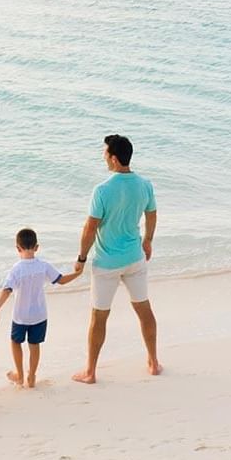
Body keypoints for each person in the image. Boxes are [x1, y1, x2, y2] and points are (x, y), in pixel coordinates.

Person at [72, 134, 159, 383]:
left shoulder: (102, 190)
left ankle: (90, 372)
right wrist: (148, 240)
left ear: (114, 158)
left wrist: (81, 258)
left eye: (105, 153)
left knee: (99, 316)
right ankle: (153, 362)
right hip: (135, 258)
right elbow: (151, 214)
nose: (103, 157)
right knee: (144, 309)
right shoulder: (145, 185)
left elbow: (90, 228)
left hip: (107, 263)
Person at [0, 228, 82, 388]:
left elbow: (6, 291)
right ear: (36, 247)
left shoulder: (17, 269)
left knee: (15, 342)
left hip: (21, 316)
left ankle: (19, 375)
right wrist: (78, 274)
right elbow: (61, 280)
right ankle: (31, 376)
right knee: (34, 345)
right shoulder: (43, 266)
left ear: (17, 248)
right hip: (40, 315)